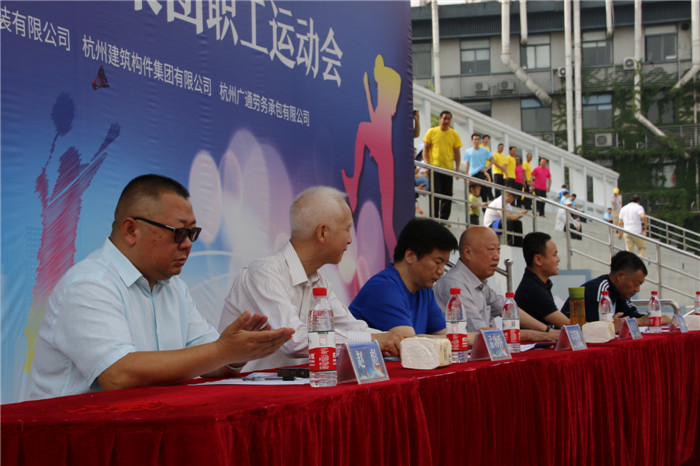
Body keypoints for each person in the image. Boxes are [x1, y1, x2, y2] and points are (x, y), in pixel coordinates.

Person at [29, 175, 295, 400]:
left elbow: (211, 361)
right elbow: (118, 375)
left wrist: (236, 354)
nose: (188, 244)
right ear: (131, 230)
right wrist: (222, 351)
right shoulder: (89, 284)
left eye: (193, 233)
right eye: (179, 232)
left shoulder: (174, 288)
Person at [219, 186, 402, 371]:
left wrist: (396, 340)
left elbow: (353, 328)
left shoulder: (319, 282)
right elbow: (293, 340)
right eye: (347, 229)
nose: (350, 240)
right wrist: (374, 339)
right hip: (245, 386)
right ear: (322, 233)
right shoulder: (264, 272)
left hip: (295, 385)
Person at [434, 227, 559, 341]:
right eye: (491, 250)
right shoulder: (455, 285)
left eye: (498, 250)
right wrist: (533, 335)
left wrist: (548, 331)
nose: (496, 257)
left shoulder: (478, 282)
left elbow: (506, 307)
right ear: (468, 252)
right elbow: (482, 334)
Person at [349, 218, 458, 337]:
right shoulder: (383, 288)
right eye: (437, 262)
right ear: (410, 256)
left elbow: (447, 337)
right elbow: (409, 342)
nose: (441, 271)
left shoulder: (424, 290)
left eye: (444, 264)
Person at [561, 251, 671, 328]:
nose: (637, 290)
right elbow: (596, 328)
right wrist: (639, 321)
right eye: (636, 284)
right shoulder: (599, 290)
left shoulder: (620, 293)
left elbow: (635, 317)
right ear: (620, 276)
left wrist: (656, 319)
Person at [515, 232, 570, 328]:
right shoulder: (533, 289)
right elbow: (570, 326)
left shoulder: (537, 284)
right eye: (554, 255)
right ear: (538, 260)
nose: (558, 259)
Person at [422, 110, 462, 220]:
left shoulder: (454, 134)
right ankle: (434, 218)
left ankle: (444, 220)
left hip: (448, 169)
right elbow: (425, 149)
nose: (446, 121)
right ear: (440, 119)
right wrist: (427, 165)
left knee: (447, 195)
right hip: (434, 167)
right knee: (435, 192)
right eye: (444, 118)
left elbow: (457, 153)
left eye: (448, 119)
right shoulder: (432, 131)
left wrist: (457, 169)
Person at [463, 133, 494, 205]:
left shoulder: (484, 150)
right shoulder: (468, 151)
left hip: (481, 173)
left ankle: (485, 209)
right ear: (472, 140)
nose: (476, 141)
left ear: (480, 140)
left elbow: (493, 160)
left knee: (483, 192)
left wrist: (487, 168)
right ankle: (470, 208)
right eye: (475, 139)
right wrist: (465, 175)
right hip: (472, 174)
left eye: (478, 139)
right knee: (471, 192)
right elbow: (467, 164)